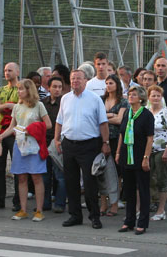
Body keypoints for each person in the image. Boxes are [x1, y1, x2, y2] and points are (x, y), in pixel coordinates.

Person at [54, 69, 110, 228]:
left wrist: (105, 142)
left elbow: (103, 123)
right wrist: (57, 139)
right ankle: (75, 215)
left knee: (90, 183)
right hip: (69, 144)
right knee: (71, 182)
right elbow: (59, 120)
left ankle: (94, 216)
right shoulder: (65, 98)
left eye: (78, 79)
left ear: (86, 81)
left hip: (89, 145)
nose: (75, 81)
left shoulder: (95, 99)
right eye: (72, 79)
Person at [0, 79, 52, 222]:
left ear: (29, 90)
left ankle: (39, 210)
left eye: (21, 89)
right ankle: (23, 209)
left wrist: (32, 130)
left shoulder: (38, 105)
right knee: (21, 177)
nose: (19, 92)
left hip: (34, 145)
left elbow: (48, 124)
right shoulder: (17, 107)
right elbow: (12, 126)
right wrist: (2, 136)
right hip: (20, 144)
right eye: (18, 89)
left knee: (36, 177)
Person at [115, 86, 154, 235]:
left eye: (134, 95)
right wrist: (118, 152)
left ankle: (142, 222)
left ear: (141, 98)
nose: (130, 97)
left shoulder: (146, 115)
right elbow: (121, 133)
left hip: (139, 155)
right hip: (126, 155)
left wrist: (146, 158)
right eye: (129, 94)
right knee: (129, 190)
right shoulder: (127, 113)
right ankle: (129, 220)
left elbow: (150, 138)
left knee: (143, 190)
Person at [0, 62, 20, 210]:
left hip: (15, 131)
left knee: (16, 167)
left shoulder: (22, 88)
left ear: (17, 71)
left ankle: (17, 200)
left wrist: (5, 106)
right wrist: (8, 105)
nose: (7, 73)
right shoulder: (0, 89)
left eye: (10, 70)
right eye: (5, 70)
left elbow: (23, 106)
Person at [100, 74, 128, 216]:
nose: (108, 85)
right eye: (106, 83)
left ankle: (114, 204)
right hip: (102, 138)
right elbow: (96, 118)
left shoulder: (123, 101)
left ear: (117, 84)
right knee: (101, 171)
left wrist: (105, 116)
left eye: (111, 83)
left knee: (116, 173)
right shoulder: (101, 99)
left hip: (117, 139)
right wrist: (111, 115)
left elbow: (119, 120)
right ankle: (103, 203)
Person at [147, 85, 167, 221]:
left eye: (158, 95)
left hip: (162, 150)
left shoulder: (166, 111)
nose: (156, 98)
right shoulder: (146, 111)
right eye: (153, 95)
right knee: (148, 179)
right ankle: (148, 205)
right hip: (149, 150)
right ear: (149, 97)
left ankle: (161, 210)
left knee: (162, 180)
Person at [41, 76, 66, 213]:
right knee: (45, 175)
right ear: (49, 88)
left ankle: (60, 203)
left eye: (60, 87)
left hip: (58, 142)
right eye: (54, 87)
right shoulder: (43, 103)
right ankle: (45, 203)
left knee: (60, 175)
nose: (57, 90)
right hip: (44, 142)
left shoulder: (65, 102)